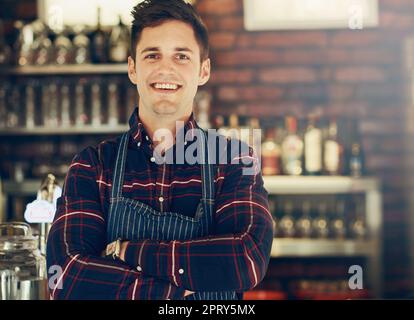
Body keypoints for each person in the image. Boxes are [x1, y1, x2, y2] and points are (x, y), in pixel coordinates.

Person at [46, 0, 273, 300]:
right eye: (152, 55)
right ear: (133, 68)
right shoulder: (93, 167)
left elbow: (246, 259)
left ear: (203, 70)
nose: (166, 68)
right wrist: (176, 294)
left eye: (181, 56)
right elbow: (66, 276)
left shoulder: (233, 161)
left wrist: (126, 251)